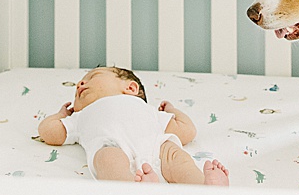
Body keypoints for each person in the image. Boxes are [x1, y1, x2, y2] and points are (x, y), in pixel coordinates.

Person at [37, 66, 229, 185]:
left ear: (130, 88)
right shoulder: (81, 116)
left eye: (92, 77)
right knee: (107, 159)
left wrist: (172, 110)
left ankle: (204, 187)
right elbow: (49, 132)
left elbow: (187, 130)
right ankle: (132, 191)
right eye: (79, 85)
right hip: (112, 146)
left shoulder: (150, 110)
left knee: (177, 156)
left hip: (156, 147)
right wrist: (61, 115)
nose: (80, 84)